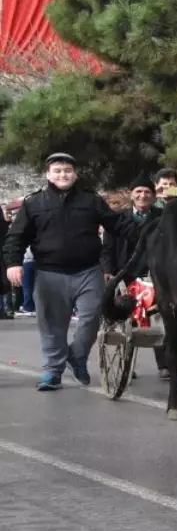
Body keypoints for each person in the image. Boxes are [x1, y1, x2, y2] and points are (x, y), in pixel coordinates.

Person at [3, 153, 139, 391]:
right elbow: (16, 237)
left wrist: (147, 232)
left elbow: (117, 224)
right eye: (57, 171)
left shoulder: (91, 201)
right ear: (48, 175)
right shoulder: (33, 203)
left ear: (75, 174)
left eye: (67, 170)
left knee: (93, 316)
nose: (62, 174)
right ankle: (52, 372)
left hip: (88, 271)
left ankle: (76, 357)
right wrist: (13, 263)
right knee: (52, 324)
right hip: (48, 273)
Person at [101, 173, 168, 378]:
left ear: (154, 196)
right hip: (125, 273)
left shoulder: (162, 217)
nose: (143, 196)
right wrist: (108, 271)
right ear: (131, 194)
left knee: (158, 316)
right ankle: (127, 364)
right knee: (126, 318)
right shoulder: (117, 218)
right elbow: (107, 248)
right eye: (138, 191)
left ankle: (164, 363)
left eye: (148, 192)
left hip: (154, 273)